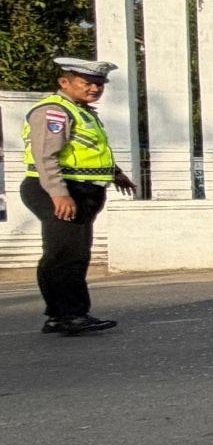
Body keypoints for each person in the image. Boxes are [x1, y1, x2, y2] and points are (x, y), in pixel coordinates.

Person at [20, 57, 137, 335]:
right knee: (65, 255)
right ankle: (69, 315)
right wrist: (59, 195)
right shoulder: (55, 112)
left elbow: (87, 151)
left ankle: (62, 315)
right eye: (87, 83)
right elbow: (45, 157)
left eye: (99, 84)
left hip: (80, 189)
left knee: (72, 254)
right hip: (58, 188)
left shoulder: (81, 111)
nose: (94, 89)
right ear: (65, 82)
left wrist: (116, 173)